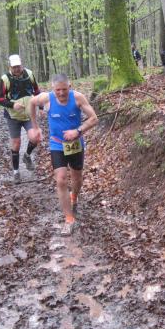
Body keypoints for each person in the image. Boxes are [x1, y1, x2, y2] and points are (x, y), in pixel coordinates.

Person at [28, 74, 98, 235]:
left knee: (77, 179)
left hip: (75, 144)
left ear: (70, 87)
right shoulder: (46, 98)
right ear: (53, 89)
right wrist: (35, 126)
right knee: (61, 180)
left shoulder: (78, 98)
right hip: (57, 144)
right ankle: (69, 219)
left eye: (64, 89)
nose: (61, 93)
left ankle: (74, 196)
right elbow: (31, 102)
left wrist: (77, 131)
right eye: (57, 90)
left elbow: (94, 119)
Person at [0, 54, 41, 183]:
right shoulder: (5, 79)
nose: (17, 69)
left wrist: (41, 106)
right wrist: (12, 105)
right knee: (16, 143)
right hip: (13, 116)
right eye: (14, 67)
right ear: (10, 67)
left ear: (22, 65)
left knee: (35, 137)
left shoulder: (29, 74)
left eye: (18, 66)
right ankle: (16, 172)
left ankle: (27, 156)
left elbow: (37, 91)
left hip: (29, 114)